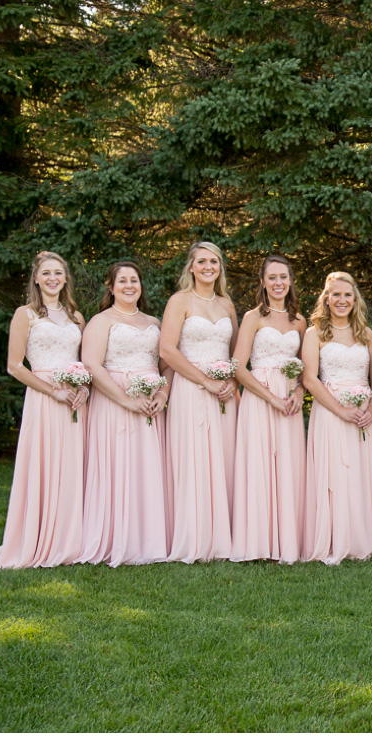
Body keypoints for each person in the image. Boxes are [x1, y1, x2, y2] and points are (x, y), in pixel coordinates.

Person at [0, 251, 88, 569]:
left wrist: (82, 387)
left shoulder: (76, 316)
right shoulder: (25, 314)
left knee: (73, 466)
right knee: (44, 464)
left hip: (73, 400)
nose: (53, 278)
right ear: (36, 278)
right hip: (44, 398)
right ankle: (40, 537)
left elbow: (84, 361)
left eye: (58, 272)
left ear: (65, 278)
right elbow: (15, 366)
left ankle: (72, 539)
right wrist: (52, 391)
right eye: (46, 273)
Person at [78, 260, 172, 566]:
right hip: (114, 402)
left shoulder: (155, 322)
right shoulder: (101, 321)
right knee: (117, 465)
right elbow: (92, 365)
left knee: (147, 467)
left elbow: (167, 365)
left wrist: (162, 393)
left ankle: (149, 538)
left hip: (149, 403)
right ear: (111, 286)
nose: (129, 285)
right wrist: (125, 400)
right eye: (122, 281)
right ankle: (116, 537)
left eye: (134, 280)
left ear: (140, 285)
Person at [302, 272, 372, 563]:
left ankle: (363, 537)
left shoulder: (365, 333)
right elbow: (310, 379)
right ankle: (334, 538)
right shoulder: (314, 332)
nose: (341, 300)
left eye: (347, 295)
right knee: (336, 473)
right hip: (330, 411)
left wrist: (371, 409)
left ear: (356, 300)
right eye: (336, 295)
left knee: (360, 473)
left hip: (362, 413)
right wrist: (340, 409)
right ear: (326, 299)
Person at [159, 241, 240, 563]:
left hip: (224, 394)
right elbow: (167, 350)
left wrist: (232, 379)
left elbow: (237, 353)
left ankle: (225, 536)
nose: (209, 267)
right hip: (191, 390)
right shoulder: (179, 301)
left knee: (224, 459)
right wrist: (204, 380)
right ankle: (194, 537)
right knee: (193, 459)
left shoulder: (226, 304)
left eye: (215, 261)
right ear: (191, 267)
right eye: (202, 261)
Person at [230, 255, 308, 563]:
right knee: (259, 463)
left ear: (290, 281)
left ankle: (287, 542)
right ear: (263, 282)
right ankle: (258, 542)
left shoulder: (299, 321)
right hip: (260, 396)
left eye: (283, 277)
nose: (278, 283)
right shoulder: (253, 317)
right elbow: (238, 366)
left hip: (289, 400)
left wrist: (300, 390)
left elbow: (305, 368)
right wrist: (269, 396)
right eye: (271, 277)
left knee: (288, 465)